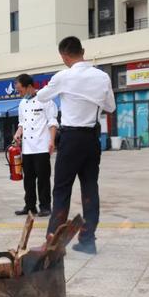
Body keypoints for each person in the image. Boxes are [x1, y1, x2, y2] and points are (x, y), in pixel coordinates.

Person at [36, 36, 116, 254]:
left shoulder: (63, 76)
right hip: (92, 139)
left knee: (62, 189)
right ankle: (88, 240)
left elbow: (41, 97)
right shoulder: (102, 76)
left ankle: (53, 243)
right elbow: (111, 106)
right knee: (90, 186)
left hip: (71, 139)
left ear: (64, 56)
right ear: (83, 51)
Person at [13, 74, 59, 218]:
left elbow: (52, 122)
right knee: (28, 179)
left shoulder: (45, 100)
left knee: (43, 179)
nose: (18, 92)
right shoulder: (22, 104)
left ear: (29, 87)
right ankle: (30, 206)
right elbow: (22, 123)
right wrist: (18, 133)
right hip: (27, 147)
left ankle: (45, 207)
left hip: (42, 146)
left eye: (20, 89)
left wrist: (52, 141)